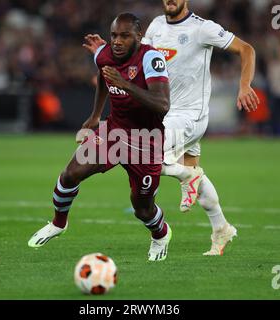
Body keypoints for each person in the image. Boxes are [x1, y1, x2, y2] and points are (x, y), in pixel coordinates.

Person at [82, 0, 259, 256]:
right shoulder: (155, 26)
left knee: (147, 157)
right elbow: (136, 57)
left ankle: (189, 176)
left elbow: (247, 49)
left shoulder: (203, 28)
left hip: (189, 115)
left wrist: (244, 85)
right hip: (163, 113)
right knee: (190, 174)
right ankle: (221, 227)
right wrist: (107, 58)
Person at [28, 13, 173, 262]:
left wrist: (127, 85)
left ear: (139, 36)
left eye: (125, 36)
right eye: (114, 35)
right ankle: (58, 223)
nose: (117, 41)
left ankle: (160, 234)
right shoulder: (105, 54)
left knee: (142, 208)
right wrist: (95, 115)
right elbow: (104, 78)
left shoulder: (151, 58)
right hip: (113, 133)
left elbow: (162, 104)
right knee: (70, 174)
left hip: (146, 141)